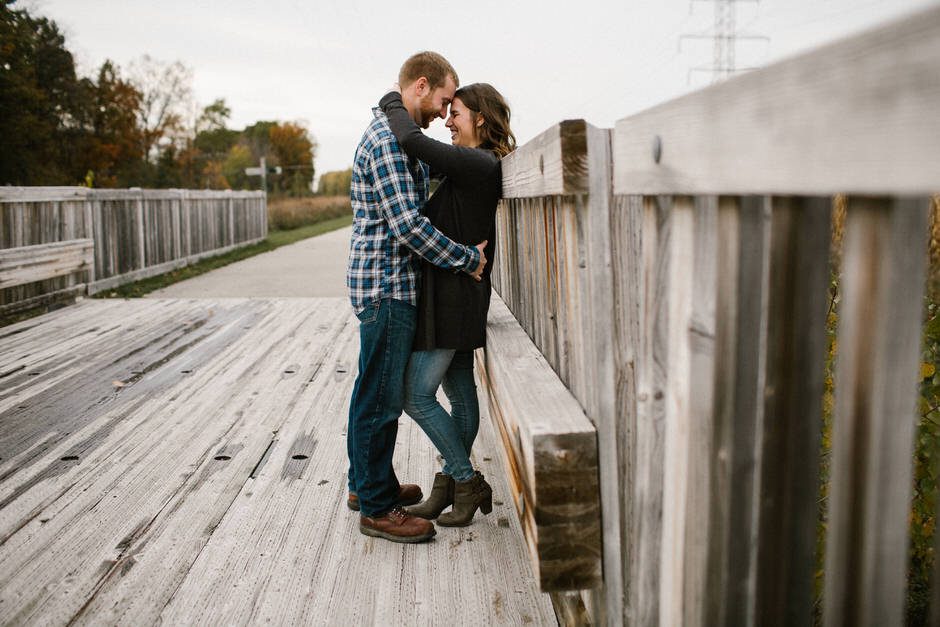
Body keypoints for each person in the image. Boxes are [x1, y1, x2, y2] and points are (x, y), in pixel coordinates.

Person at [346, 51, 488, 544]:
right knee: (382, 399)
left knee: (377, 391)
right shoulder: (388, 141)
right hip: (387, 286)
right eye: (444, 100)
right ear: (422, 86)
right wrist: (466, 258)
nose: (443, 113)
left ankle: (369, 486)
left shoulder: (396, 136)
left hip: (392, 285)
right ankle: (377, 508)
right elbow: (407, 226)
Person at [377, 81, 516, 526]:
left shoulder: (477, 162)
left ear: (479, 117)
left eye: (454, 113)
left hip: (456, 295)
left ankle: (465, 479)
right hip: (454, 291)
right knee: (458, 392)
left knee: (414, 395)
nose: (447, 122)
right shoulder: (471, 166)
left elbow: (412, 141)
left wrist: (391, 102)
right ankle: (448, 487)